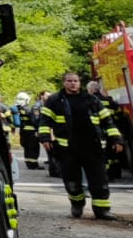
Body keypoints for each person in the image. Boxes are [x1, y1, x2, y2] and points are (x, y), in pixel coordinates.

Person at [38, 71, 124, 219]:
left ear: (79, 83)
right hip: (67, 148)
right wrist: (45, 138)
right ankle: (77, 204)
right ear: (64, 83)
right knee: (72, 180)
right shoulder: (54, 101)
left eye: (75, 81)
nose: (73, 83)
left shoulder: (91, 99)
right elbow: (44, 121)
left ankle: (102, 210)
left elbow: (108, 121)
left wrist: (117, 140)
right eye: (69, 81)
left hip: (92, 147)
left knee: (99, 180)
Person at [16, 92, 41, 167]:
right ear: (26, 100)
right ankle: (33, 165)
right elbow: (34, 120)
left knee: (26, 148)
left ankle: (28, 163)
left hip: (23, 131)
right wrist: (38, 128)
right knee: (34, 148)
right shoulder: (28, 109)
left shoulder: (18, 108)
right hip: (31, 132)